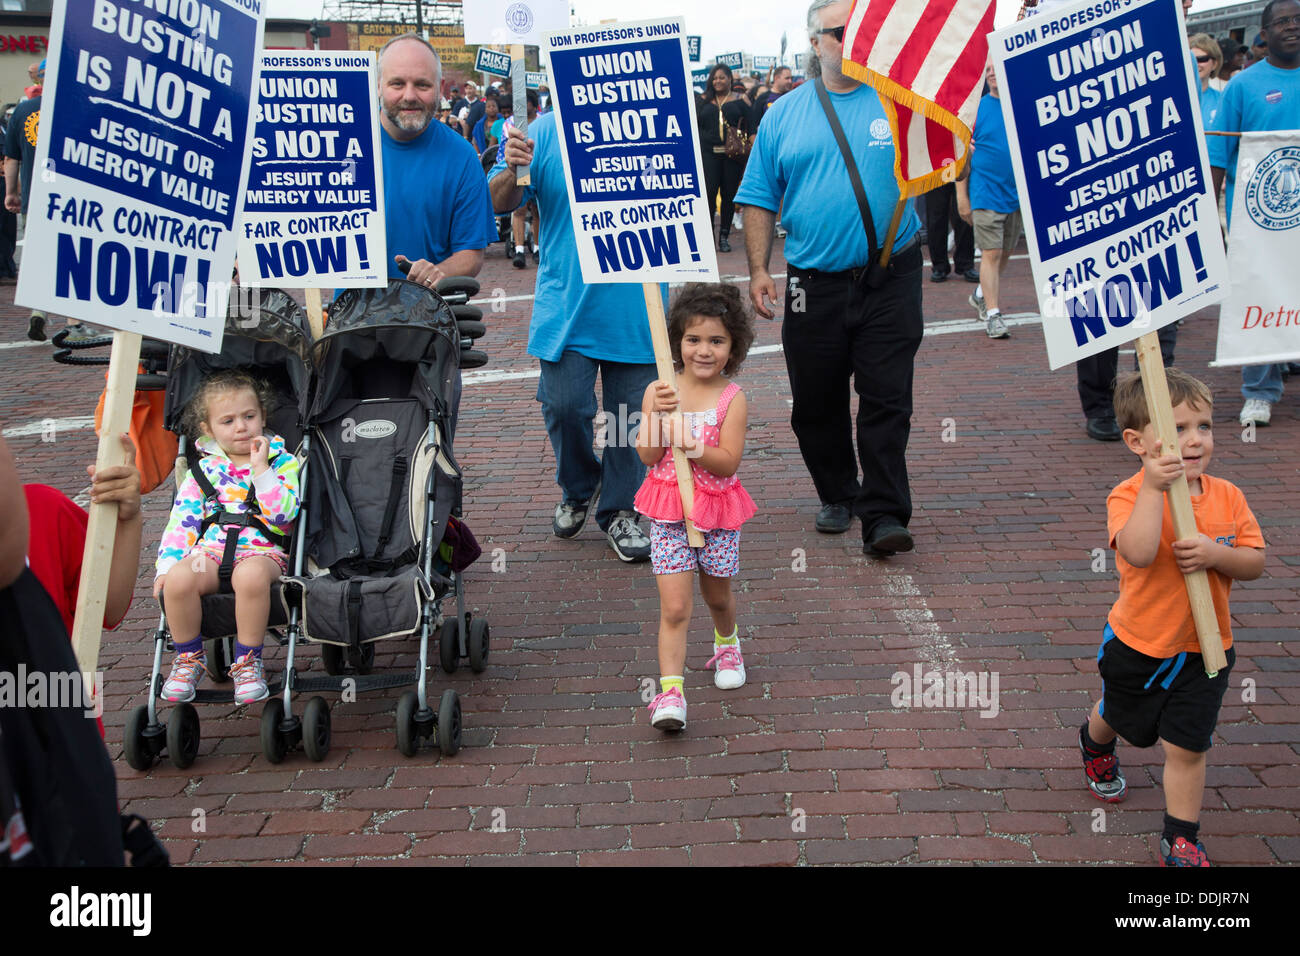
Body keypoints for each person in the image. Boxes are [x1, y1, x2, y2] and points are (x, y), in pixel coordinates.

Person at [736, 0, 924, 556]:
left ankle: (885, 512)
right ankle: (839, 491)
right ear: (814, 41)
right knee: (815, 401)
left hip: (891, 274)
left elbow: (944, 150)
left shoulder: (900, 103)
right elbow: (758, 197)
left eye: (857, 30)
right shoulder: (782, 114)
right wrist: (756, 269)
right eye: (838, 33)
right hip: (812, 283)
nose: (848, 40)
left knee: (887, 396)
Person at [1079, 369, 1264, 866]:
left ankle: (1181, 835)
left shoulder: (1228, 496)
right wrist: (1155, 492)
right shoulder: (1127, 493)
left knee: (1187, 745)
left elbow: (1255, 561)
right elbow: (1138, 553)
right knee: (1120, 716)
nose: (1195, 440)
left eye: (1204, 426)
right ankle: (1095, 743)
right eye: (1179, 428)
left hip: (1206, 647)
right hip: (1138, 642)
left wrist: (1215, 554)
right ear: (1138, 442)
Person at [489, 117, 658, 563]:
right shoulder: (540, 132)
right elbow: (499, 200)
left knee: (628, 421)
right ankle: (581, 487)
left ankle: (621, 509)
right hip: (566, 302)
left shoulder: (658, 117)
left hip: (637, 304)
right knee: (564, 407)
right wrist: (512, 166)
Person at [634, 284, 757, 731]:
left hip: (718, 513)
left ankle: (728, 643)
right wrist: (655, 417)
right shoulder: (659, 390)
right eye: (693, 340)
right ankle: (671, 694)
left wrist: (691, 443)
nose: (704, 351)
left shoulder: (733, 398)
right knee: (675, 608)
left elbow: (727, 463)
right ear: (677, 343)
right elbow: (647, 456)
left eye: (716, 341)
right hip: (668, 513)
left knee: (717, 596)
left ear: (733, 347)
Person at [153, 371, 300, 706]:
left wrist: (261, 470)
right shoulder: (201, 471)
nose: (241, 427)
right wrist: (167, 565)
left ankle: (248, 662)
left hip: (262, 552)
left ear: (263, 417)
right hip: (211, 552)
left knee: (249, 577)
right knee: (178, 581)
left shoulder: (283, 463)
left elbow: (283, 515)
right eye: (228, 420)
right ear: (208, 429)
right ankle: (188, 658)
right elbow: (183, 522)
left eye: (249, 417)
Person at [1210, 0, 1300, 427]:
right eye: (1283, 21)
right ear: (1264, 33)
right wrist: (1208, 205)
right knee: (1259, 293)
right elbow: (1219, 151)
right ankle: (1259, 392)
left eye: (1299, 20)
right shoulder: (1243, 86)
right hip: (1259, 218)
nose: (1293, 27)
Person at [375, 34, 496, 288]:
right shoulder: (343, 149)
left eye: (422, 85)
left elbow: (471, 255)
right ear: (378, 85)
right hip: (351, 319)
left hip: (430, 319)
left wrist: (435, 272)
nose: (409, 96)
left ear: (440, 88)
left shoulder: (461, 157)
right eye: (397, 84)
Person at [4, 60, 94, 343]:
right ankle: (75, 324)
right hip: (69, 197)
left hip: (34, 197)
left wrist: (11, 192)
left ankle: (39, 310)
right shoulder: (77, 106)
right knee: (72, 259)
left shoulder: (22, 110)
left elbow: (11, 158)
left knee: (40, 258)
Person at [957, 61, 1019, 339]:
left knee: (1004, 253)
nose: (992, 73)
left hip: (1015, 196)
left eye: (996, 68)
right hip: (984, 194)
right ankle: (993, 314)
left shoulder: (1020, 104)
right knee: (991, 253)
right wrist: (962, 197)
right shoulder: (976, 110)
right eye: (987, 70)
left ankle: (981, 294)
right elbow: (960, 157)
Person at [697, 64, 749, 253]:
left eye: (722, 77)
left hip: (731, 157)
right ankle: (707, 237)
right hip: (708, 155)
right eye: (715, 78)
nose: (718, 81)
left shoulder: (740, 101)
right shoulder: (701, 101)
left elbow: (750, 127)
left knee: (729, 196)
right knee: (709, 195)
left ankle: (724, 237)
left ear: (730, 79)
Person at [1190, 34, 1225, 129]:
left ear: (1214, 64)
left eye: (1202, 59)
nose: (1196, 64)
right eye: (1191, 59)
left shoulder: (1223, 101)